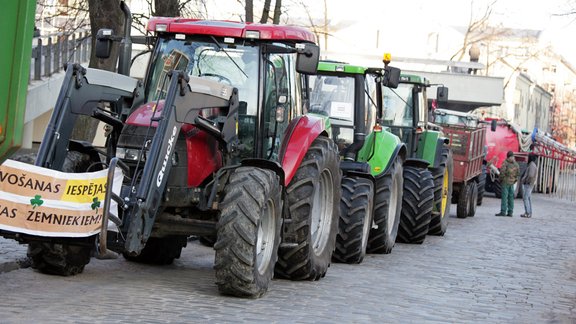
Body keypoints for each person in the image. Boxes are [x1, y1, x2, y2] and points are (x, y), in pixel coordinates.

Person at [495, 151, 520, 217]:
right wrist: (514, 180)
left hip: (505, 182)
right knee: (511, 197)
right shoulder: (516, 164)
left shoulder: (505, 163)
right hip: (512, 183)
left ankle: (503, 212)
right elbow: (518, 174)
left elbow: (502, 172)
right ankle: (510, 212)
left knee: (504, 197)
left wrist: (500, 180)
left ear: (507, 156)